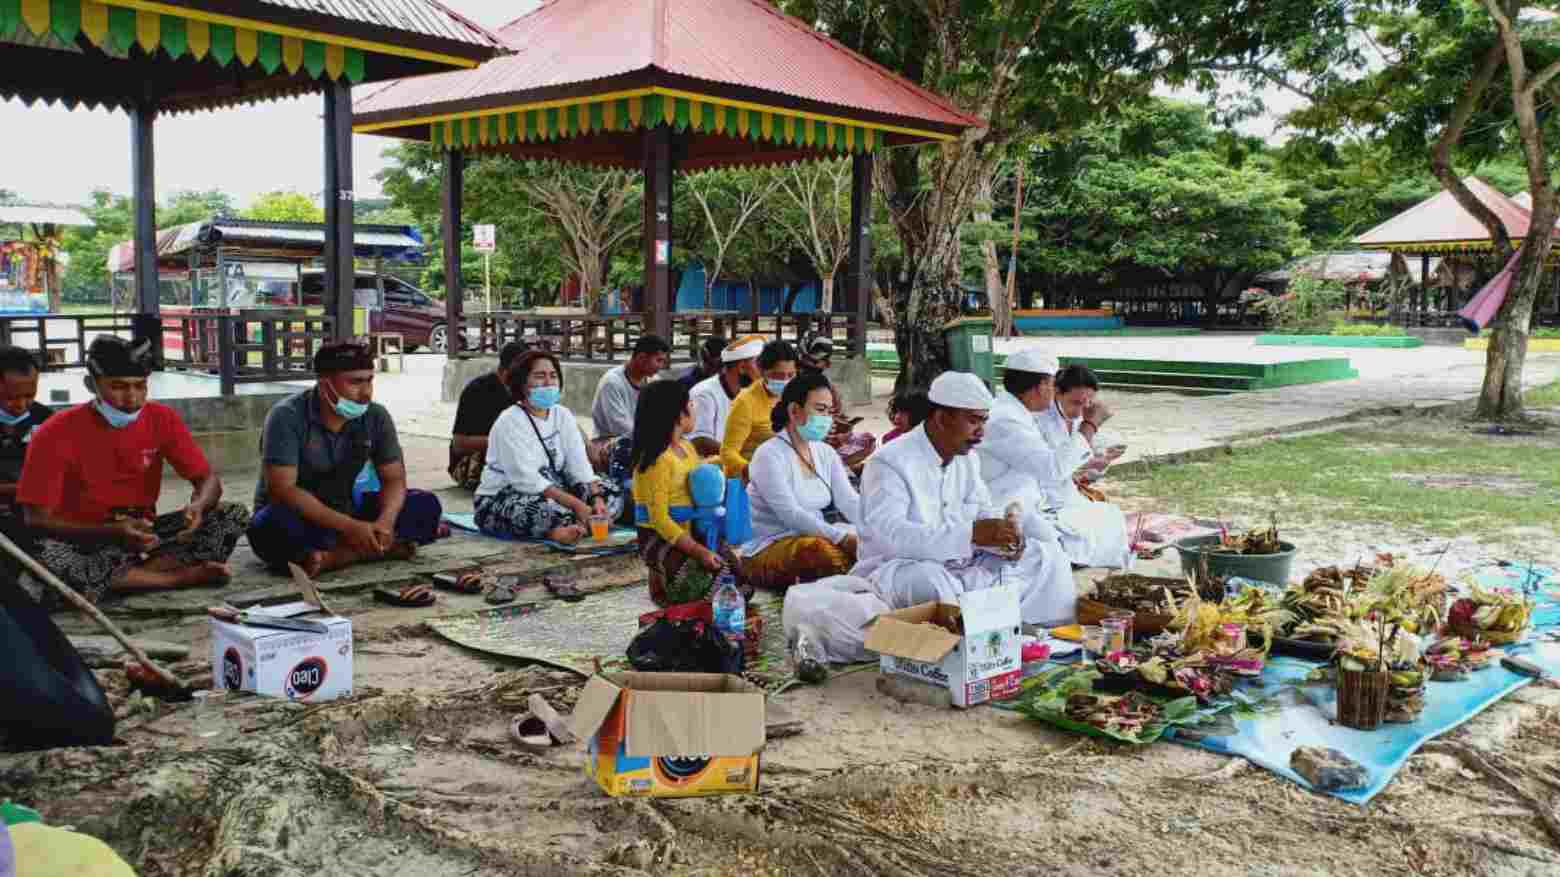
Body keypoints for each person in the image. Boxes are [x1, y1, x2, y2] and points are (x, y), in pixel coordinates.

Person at [15, 337, 249, 603]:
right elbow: (36, 519)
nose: (132, 398)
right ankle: (175, 578)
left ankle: (118, 579)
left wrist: (199, 507)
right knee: (46, 554)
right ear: (91, 385)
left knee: (231, 514)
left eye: (140, 386)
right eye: (118, 387)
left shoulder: (162, 418)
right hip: (83, 539)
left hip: (144, 535)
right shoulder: (54, 432)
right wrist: (112, 530)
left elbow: (207, 480)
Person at [851, 370, 1076, 626]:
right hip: (900, 569)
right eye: (973, 421)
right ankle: (977, 636)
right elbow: (892, 539)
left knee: (1045, 556)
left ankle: (1043, 632)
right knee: (931, 582)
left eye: (984, 421)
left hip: (964, 561)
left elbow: (982, 509)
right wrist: (969, 535)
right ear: (942, 418)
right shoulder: (889, 463)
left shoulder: (967, 458)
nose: (981, 432)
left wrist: (1003, 540)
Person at [247, 342, 443, 576]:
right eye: (355, 382)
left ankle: (335, 557)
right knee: (270, 527)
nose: (366, 393)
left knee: (425, 505)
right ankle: (375, 549)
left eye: (369, 380)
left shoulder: (376, 416)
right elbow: (283, 490)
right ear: (325, 385)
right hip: (303, 516)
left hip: (351, 511)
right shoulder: (287, 416)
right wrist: (350, 528)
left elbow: (393, 478)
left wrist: (386, 522)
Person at [474, 351, 625, 542]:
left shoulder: (563, 415)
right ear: (522, 383)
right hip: (507, 495)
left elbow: (579, 464)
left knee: (611, 492)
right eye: (539, 376)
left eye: (553, 376)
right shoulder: (509, 421)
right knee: (539, 510)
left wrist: (597, 499)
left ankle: (576, 523)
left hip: (556, 489)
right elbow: (526, 480)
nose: (548, 382)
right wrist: (578, 505)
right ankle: (556, 530)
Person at [738, 372, 861, 591]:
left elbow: (849, 501)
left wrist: (876, 529)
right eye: (820, 409)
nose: (827, 418)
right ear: (794, 411)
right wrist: (843, 539)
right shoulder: (768, 455)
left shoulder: (825, 452)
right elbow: (791, 514)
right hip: (770, 547)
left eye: (829, 411)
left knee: (873, 543)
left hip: (815, 537)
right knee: (821, 553)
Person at [630, 379, 738, 605]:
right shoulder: (657, 461)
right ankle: (660, 580)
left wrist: (727, 460)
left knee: (738, 580)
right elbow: (659, 520)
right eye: (690, 404)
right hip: (659, 536)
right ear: (677, 414)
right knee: (699, 588)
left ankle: (666, 580)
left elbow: (697, 474)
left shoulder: (686, 447)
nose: (694, 409)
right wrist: (699, 551)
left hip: (691, 529)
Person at [1031, 362, 1132, 568]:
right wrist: (1091, 426)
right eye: (1075, 403)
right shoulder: (1038, 422)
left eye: (1087, 404)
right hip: (1043, 499)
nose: (1080, 411)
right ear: (1056, 392)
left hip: (1066, 495)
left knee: (1111, 516)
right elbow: (1050, 471)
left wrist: (1098, 464)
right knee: (1069, 532)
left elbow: (1082, 460)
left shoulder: (1079, 419)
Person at [449, 340, 529, 489]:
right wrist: (504, 440)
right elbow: (459, 444)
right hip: (471, 460)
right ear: (507, 370)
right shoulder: (477, 390)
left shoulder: (524, 391)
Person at [720, 340, 798, 478]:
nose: (785, 381)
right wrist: (754, 471)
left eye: (790, 375)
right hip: (753, 478)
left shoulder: (796, 396)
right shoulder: (746, 402)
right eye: (778, 376)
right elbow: (728, 452)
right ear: (762, 371)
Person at [797, 334, 875, 471]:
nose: (829, 364)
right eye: (825, 360)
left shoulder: (826, 383)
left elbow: (833, 415)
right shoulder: (796, 385)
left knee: (867, 441)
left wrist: (842, 428)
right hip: (807, 443)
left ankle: (839, 467)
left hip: (825, 440)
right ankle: (836, 468)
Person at [687, 333, 764, 457]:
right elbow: (699, 441)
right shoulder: (704, 393)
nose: (764, 370)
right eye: (759, 365)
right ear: (742, 368)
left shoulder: (755, 393)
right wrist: (740, 456)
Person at [0, 345, 52, 527]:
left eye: (29, 395)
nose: (21, 405)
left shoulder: (46, 420)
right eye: (10, 397)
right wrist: (24, 489)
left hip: (36, 518)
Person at [591, 334, 671, 440]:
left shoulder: (655, 381)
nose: (661, 366)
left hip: (642, 440)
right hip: (609, 442)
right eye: (658, 360)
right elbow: (619, 427)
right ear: (641, 358)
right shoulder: (612, 382)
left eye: (663, 362)